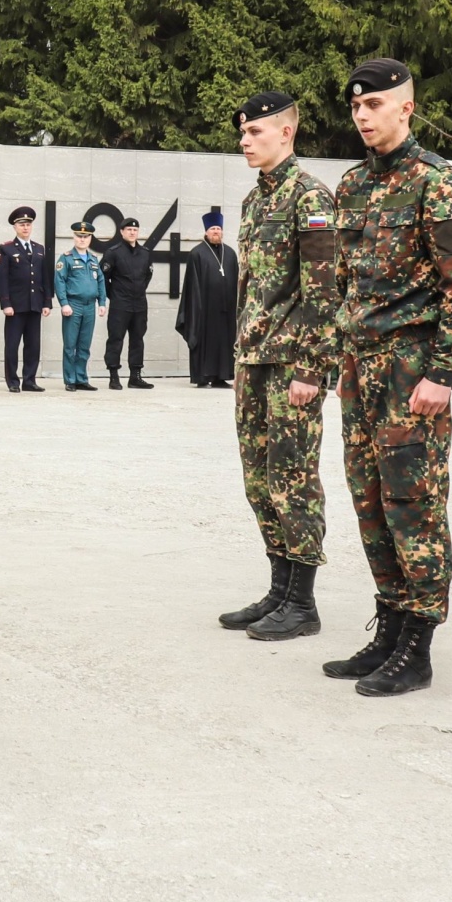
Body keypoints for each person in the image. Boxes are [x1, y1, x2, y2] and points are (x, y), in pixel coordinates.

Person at [324, 58, 452, 697]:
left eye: (375, 106)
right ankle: (390, 625)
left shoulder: (438, 185)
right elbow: (345, 282)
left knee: (413, 503)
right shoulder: (351, 187)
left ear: (406, 108)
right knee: (369, 500)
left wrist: (445, 372)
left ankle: (418, 641)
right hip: (359, 366)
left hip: (411, 370)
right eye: (357, 108)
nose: (364, 116)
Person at [220, 91, 337, 641]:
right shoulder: (254, 201)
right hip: (254, 359)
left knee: (294, 478)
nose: (245, 141)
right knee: (260, 479)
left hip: (292, 363)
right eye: (242, 134)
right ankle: (280, 589)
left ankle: (304, 602)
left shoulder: (309, 197)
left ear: (286, 133)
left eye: (255, 133)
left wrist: (312, 370)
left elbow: (323, 293)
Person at [176, 208, 238, 388]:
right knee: (204, 340)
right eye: (213, 229)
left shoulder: (231, 253)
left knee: (224, 341)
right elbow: (191, 284)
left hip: (226, 308)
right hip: (204, 308)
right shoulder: (197, 253)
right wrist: (197, 307)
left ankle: (220, 377)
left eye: (218, 228)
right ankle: (202, 377)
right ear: (206, 231)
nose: (216, 232)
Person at [0, 205, 51, 392]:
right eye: (21, 224)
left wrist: (47, 302)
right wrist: (5, 303)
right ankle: (13, 381)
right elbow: (2, 278)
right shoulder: (7, 248)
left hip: (34, 305)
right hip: (15, 306)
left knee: (33, 345)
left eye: (28, 224)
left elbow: (45, 277)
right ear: (15, 227)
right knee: (12, 346)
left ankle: (29, 380)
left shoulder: (39, 249)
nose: (25, 227)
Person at [101, 218, 155, 389]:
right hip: (120, 304)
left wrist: (138, 292)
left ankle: (135, 376)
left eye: (135, 230)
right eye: (129, 229)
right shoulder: (113, 252)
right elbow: (104, 278)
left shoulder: (145, 252)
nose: (132, 232)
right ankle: (113, 376)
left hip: (139, 304)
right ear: (122, 232)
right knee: (116, 339)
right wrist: (114, 296)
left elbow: (147, 276)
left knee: (138, 339)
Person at [54, 221, 106, 391]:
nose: (82, 239)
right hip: (73, 305)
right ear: (73, 237)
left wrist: (102, 302)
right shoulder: (66, 258)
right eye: (79, 236)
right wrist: (64, 304)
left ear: (90, 238)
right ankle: (70, 379)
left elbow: (100, 281)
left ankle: (81, 378)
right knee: (70, 345)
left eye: (86, 236)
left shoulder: (93, 259)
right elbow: (59, 281)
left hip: (90, 306)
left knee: (84, 345)